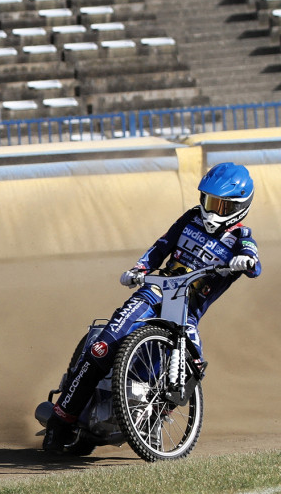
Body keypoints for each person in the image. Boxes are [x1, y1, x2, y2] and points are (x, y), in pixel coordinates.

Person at [43, 162, 261, 454]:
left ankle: (153, 422)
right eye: (208, 201)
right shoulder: (190, 219)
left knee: (192, 369)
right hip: (156, 291)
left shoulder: (241, 237)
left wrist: (245, 262)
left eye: (221, 205)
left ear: (240, 206)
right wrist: (139, 269)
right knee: (103, 348)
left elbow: (253, 261)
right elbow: (161, 246)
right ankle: (61, 422)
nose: (211, 211)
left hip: (187, 314)